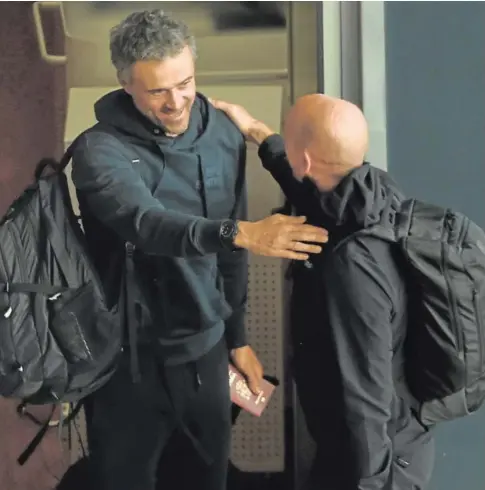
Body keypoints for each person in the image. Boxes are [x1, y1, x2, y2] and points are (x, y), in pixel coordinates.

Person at [70, 10, 328, 490]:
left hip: (205, 350)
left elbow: (228, 261)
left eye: (185, 82)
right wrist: (239, 232)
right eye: (158, 91)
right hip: (127, 358)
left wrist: (238, 338)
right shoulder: (97, 152)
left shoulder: (223, 135)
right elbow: (146, 224)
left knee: (206, 477)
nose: (176, 102)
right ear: (126, 84)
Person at [211, 94, 435, 490]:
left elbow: (368, 397)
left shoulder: (352, 268)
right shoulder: (373, 196)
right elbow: (307, 190)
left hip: (372, 463)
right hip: (373, 443)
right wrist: (258, 133)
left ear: (309, 162)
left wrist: (371, 482)